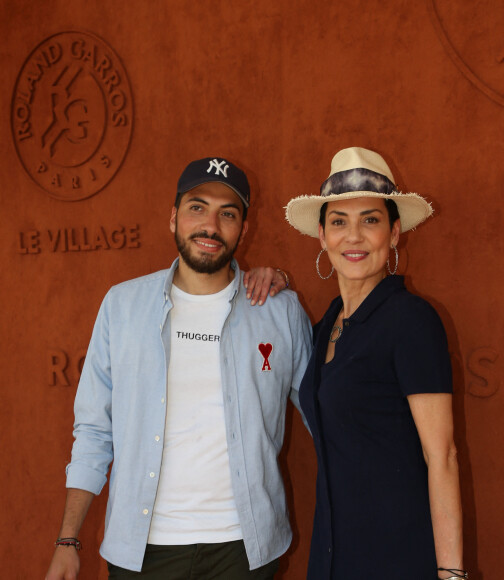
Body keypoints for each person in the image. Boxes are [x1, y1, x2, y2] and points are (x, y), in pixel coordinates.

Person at [45, 156, 312, 580]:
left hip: (245, 552)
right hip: (143, 553)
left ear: (244, 228)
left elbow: (327, 416)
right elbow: (94, 431)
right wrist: (67, 538)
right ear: (172, 218)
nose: (211, 225)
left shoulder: (280, 312)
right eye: (196, 207)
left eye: (228, 214)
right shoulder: (122, 307)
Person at [285, 147, 465, 580]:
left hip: (396, 556)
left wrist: (452, 575)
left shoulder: (410, 320)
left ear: (395, 232)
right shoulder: (328, 322)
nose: (354, 237)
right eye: (339, 222)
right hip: (332, 553)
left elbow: (441, 455)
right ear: (322, 236)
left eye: (370, 220)